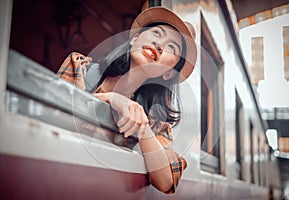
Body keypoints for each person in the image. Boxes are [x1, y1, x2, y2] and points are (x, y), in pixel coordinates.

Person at [57, 7, 197, 194]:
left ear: (169, 73)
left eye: (172, 47)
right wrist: (110, 99)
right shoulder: (79, 67)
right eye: (156, 32)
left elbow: (166, 182)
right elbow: (53, 113)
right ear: (135, 39)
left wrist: (144, 128)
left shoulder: (156, 124)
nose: (159, 44)